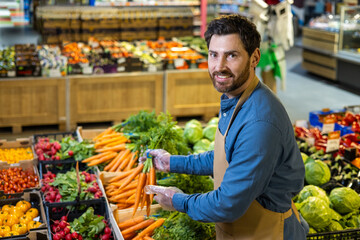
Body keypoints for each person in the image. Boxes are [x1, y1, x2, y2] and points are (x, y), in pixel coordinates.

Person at [141, 14, 309, 239]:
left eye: (231, 55)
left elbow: (227, 204)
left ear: (254, 57)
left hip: (267, 233)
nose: (219, 66)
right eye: (213, 55)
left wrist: (177, 201)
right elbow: (225, 158)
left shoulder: (260, 122)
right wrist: (171, 162)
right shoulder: (236, 96)